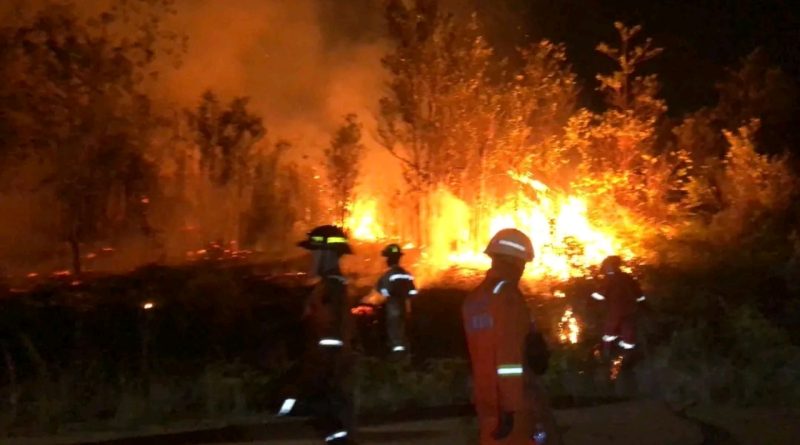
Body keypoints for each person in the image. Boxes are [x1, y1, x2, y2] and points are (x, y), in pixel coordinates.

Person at [462, 229, 561, 445]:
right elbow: (510, 358)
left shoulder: (474, 298)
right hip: (514, 402)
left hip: (485, 398)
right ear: (515, 261)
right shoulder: (507, 296)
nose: (523, 269)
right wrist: (512, 406)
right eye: (523, 263)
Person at [278, 225, 356, 444]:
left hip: (327, 362)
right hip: (324, 361)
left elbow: (333, 331)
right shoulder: (326, 287)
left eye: (315, 253)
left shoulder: (332, 289)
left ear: (326, 255)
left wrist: (321, 362)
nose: (310, 258)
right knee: (330, 414)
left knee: (331, 410)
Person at [590, 255, 646, 359]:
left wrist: (593, 296)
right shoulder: (627, 276)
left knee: (611, 325)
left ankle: (607, 351)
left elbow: (600, 294)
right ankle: (628, 346)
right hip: (631, 307)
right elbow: (638, 291)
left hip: (616, 307)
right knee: (628, 325)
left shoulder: (609, 279)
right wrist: (640, 300)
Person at [375, 243, 417, 354]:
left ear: (388, 259)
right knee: (404, 329)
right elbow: (413, 291)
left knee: (394, 329)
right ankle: (406, 353)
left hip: (393, 305)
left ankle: (397, 353)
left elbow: (381, 288)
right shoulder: (407, 274)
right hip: (405, 305)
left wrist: (388, 295)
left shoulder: (388, 275)